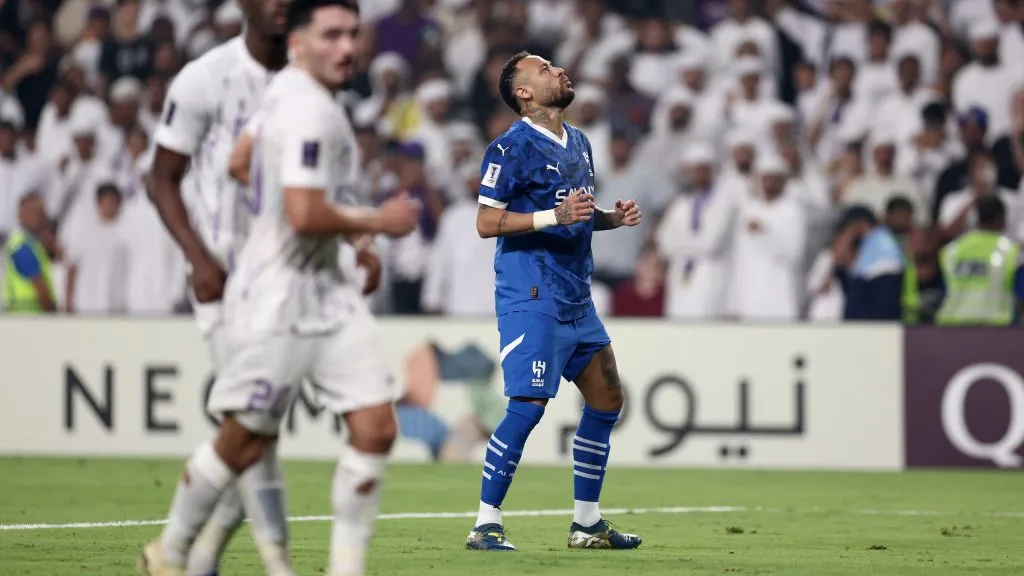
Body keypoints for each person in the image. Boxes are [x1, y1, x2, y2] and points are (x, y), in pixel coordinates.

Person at [138, 2, 421, 576]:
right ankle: (169, 556)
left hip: (327, 293)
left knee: (376, 425)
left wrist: (278, 201)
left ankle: (343, 568)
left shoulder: (285, 93)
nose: (347, 48)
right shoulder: (307, 110)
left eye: (352, 34)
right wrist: (375, 223)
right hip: (276, 297)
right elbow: (304, 213)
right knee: (244, 441)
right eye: (332, 36)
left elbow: (241, 162)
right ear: (300, 42)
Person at [142, 0, 312, 573]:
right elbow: (160, 177)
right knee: (252, 426)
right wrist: (197, 258)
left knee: (255, 431)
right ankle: (269, 563)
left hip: (287, 287)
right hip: (227, 282)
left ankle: (192, 554)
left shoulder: (310, 80)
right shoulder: (205, 79)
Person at [466, 51, 643, 552]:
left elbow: (574, 214)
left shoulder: (580, 141)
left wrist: (610, 217)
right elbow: (486, 222)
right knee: (528, 403)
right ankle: (485, 523)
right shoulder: (509, 148)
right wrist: (553, 217)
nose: (558, 71)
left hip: (574, 295)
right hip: (531, 292)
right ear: (522, 92)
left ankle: (586, 524)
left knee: (608, 398)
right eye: (543, 69)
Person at [936, 195, 1024, 326]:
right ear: (1002, 217)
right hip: (997, 329)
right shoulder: (1011, 253)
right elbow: (1021, 295)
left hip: (952, 328)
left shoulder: (951, 251)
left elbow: (943, 291)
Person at [832, 204, 905, 321]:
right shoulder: (868, 241)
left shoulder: (882, 239)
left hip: (881, 301)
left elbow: (885, 276)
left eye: (849, 225)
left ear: (859, 222)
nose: (848, 230)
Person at [2, 192, 56, 313]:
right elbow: (41, 291)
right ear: (20, 215)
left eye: (40, 212)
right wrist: (54, 318)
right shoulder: (22, 246)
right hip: (28, 318)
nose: (38, 217)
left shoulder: (32, 242)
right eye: (32, 212)